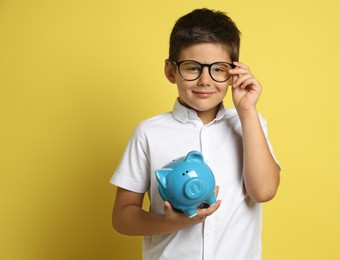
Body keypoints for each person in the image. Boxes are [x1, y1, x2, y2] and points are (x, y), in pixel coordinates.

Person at [110, 8, 281, 260]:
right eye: (192, 68)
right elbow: (122, 216)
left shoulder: (250, 123)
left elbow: (264, 191)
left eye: (218, 69)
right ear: (171, 71)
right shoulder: (148, 133)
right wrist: (174, 223)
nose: (204, 80)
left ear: (233, 73)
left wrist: (247, 111)